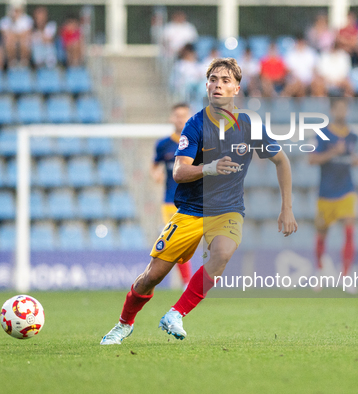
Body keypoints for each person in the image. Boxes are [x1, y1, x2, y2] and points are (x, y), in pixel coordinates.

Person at [100, 57, 298, 345]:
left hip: (228, 209)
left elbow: (282, 162)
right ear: (206, 85)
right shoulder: (195, 124)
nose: (218, 85)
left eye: (225, 80)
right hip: (191, 211)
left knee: (222, 254)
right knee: (151, 277)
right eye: (214, 80)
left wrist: (287, 208)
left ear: (237, 89)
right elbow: (179, 172)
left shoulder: (250, 125)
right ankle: (123, 324)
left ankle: (176, 314)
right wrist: (210, 167)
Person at [308, 98, 358, 291]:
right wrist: (332, 153)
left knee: (349, 229)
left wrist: (354, 160)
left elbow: (351, 157)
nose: (341, 111)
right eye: (338, 108)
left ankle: (346, 276)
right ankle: (320, 271)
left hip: (347, 190)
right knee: (322, 233)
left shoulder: (353, 136)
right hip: (326, 193)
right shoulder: (323, 134)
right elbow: (312, 159)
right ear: (332, 110)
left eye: (344, 108)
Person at [151, 103, 194, 287]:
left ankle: (193, 282)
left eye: (184, 115)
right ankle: (187, 283)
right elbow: (154, 165)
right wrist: (156, 174)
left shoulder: (198, 142)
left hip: (193, 200)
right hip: (171, 201)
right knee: (176, 242)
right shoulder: (163, 144)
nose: (180, 119)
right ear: (171, 118)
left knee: (189, 243)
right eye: (177, 115)